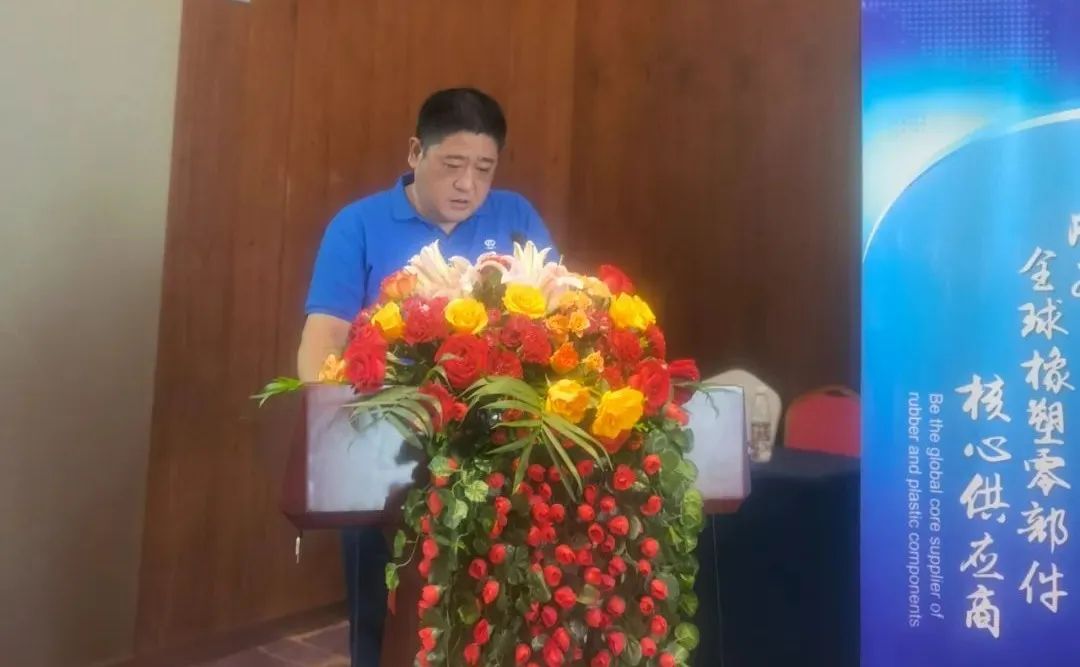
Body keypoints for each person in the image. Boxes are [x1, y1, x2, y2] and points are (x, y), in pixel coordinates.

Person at [296, 87, 556, 666]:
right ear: (416, 152)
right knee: (384, 613)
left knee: (498, 615)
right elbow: (324, 338)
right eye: (452, 164)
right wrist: (329, 432)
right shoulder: (359, 225)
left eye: (484, 169)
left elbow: (561, 316)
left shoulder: (516, 219)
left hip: (497, 454)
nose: (467, 185)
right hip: (385, 452)